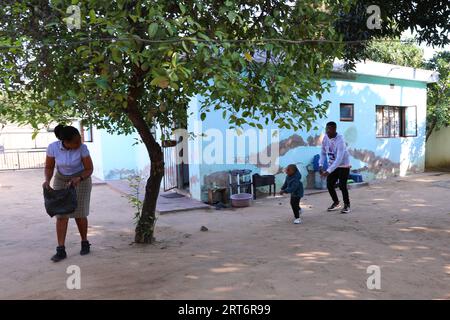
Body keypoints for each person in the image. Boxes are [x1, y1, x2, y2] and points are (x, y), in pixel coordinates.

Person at [43, 124, 94, 262]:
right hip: (61, 178)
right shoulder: (53, 147)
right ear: (65, 142)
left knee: (80, 213)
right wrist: (47, 180)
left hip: (81, 178)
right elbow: (49, 166)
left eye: (80, 140)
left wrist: (79, 178)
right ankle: (61, 249)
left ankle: (84, 242)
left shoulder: (82, 148)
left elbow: (89, 169)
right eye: (75, 142)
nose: (79, 143)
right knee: (61, 214)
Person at [319, 121, 351, 214]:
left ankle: (347, 205)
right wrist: (320, 165)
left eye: (329, 130)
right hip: (333, 165)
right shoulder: (325, 138)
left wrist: (328, 171)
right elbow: (323, 153)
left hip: (343, 165)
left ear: (334, 130)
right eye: (326, 130)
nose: (327, 132)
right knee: (329, 184)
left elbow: (339, 159)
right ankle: (336, 202)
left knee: (342, 185)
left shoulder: (340, 141)